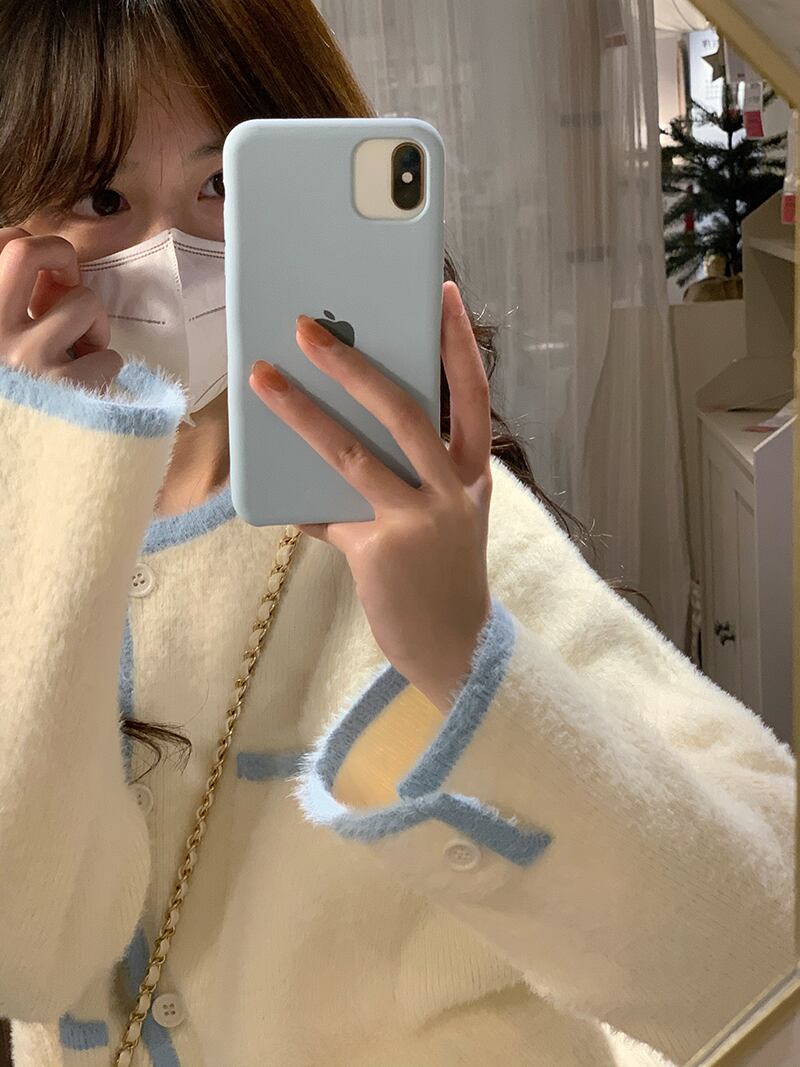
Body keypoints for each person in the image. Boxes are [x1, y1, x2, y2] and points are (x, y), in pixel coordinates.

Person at [0, 3, 794, 1066]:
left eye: (226, 183)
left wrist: (465, 659)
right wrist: (38, 481)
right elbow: (30, 960)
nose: (175, 256)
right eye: (102, 199)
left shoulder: (423, 530)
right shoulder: (19, 528)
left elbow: (758, 957)